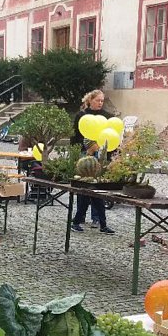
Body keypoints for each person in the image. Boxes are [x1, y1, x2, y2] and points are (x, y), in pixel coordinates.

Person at [71, 89, 115, 235]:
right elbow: (75, 136)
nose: (100, 103)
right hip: (85, 156)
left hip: (101, 156)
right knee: (85, 190)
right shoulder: (82, 116)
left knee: (98, 190)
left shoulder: (106, 116)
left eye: (102, 101)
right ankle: (79, 219)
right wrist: (81, 151)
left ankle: (100, 221)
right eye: (98, 100)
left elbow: (111, 135)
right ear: (90, 100)